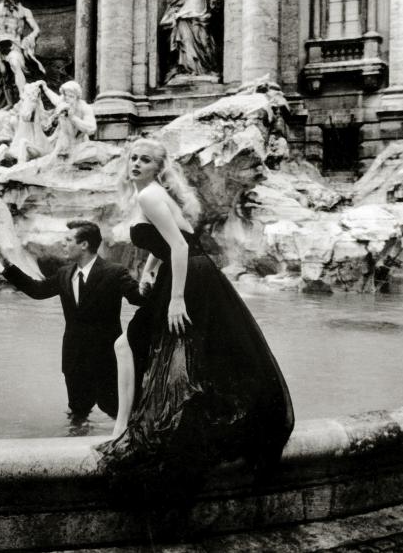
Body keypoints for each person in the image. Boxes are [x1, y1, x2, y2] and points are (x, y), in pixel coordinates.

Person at [95, 138, 294, 501]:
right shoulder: (153, 194)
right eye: (133, 158)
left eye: (146, 160)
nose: (137, 163)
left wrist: (175, 299)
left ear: (159, 167)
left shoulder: (149, 196)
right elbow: (180, 233)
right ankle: (124, 423)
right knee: (148, 347)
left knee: (137, 346)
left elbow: (182, 246)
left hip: (187, 278)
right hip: (191, 273)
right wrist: (150, 269)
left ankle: (124, 426)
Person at [0, 221, 146, 426]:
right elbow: (37, 291)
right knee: (77, 414)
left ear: (83, 245)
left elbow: (138, 299)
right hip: (74, 358)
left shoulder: (115, 272)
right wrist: (8, 266)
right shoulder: (65, 273)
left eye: (68, 240)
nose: (62, 243)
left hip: (106, 359)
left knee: (117, 411)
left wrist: (151, 282)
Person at [159, 0, 222, 82]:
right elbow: (177, 4)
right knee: (185, 43)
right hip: (183, 18)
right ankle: (188, 70)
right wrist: (173, 13)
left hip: (200, 18)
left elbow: (213, 3)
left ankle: (206, 69)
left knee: (204, 43)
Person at [39, 80, 97, 160]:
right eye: (65, 95)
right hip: (62, 143)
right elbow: (54, 98)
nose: (67, 98)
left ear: (77, 97)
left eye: (71, 96)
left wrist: (72, 118)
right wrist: (45, 88)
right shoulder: (62, 102)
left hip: (79, 143)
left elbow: (92, 129)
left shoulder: (85, 107)